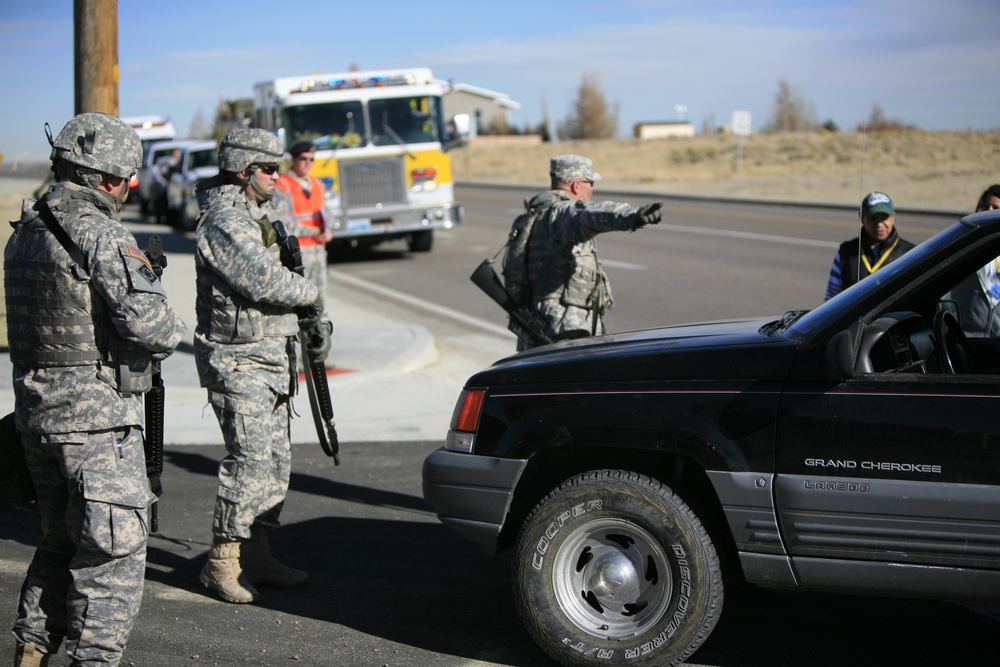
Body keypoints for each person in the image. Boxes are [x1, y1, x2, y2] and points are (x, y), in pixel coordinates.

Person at [5, 112, 187, 666]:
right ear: (108, 178)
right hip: (95, 426)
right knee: (112, 557)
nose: (129, 188)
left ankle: (31, 650)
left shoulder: (27, 230)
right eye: (126, 178)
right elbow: (156, 329)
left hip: (37, 417)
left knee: (60, 542)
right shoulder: (101, 234)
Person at [193, 128, 330, 604]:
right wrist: (311, 296)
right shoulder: (225, 221)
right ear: (242, 171)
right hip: (238, 361)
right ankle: (222, 561)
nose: (278, 176)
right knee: (248, 461)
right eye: (269, 169)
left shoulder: (260, 216)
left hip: (269, 359)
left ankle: (256, 555)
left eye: (277, 167)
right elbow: (264, 280)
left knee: (274, 464)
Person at [516, 154, 663, 350]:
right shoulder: (562, 213)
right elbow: (590, 214)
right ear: (576, 185)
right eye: (590, 182)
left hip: (537, 326)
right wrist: (633, 216)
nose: (592, 189)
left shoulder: (532, 216)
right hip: (565, 331)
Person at [271, 141, 332, 316]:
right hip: (298, 254)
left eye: (312, 159)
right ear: (294, 159)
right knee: (301, 307)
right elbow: (282, 223)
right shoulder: (282, 186)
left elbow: (327, 213)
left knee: (320, 306)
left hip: (318, 250)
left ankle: (318, 340)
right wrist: (313, 232)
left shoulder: (317, 185)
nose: (308, 163)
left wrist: (329, 232)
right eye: (303, 158)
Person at [824, 191, 915, 301]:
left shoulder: (911, 254)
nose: (879, 224)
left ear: (893, 217)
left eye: (884, 217)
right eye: (873, 218)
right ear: (861, 218)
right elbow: (831, 298)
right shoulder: (846, 252)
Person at [950, 184, 1000, 335]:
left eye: (995, 207)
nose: (989, 210)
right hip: (970, 337)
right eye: (986, 206)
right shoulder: (967, 244)